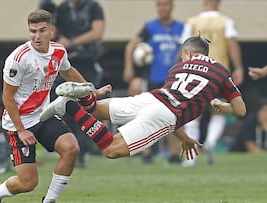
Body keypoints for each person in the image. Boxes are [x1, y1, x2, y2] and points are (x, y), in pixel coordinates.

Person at [40, 35, 246, 163]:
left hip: (151, 98)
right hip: (164, 114)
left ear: (188, 53)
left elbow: (171, 103)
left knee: (94, 110)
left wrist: (185, 139)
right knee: (111, 150)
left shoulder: (178, 68)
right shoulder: (220, 71)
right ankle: (69, 106)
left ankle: (84, 96)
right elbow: (240, 110)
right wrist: (221, 105)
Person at [0, 10, 110, 203]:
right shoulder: (18, 59)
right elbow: (7, 97)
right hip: (18, 124)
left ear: (51, 30)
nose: (37, 36)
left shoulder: (59, 51)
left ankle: (49, 200)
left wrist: (92, 91)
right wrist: (21, 130)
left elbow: (68, 72)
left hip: (43, 115)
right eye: (33, 31)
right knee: (28, 183)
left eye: (42, 30)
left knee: (71, 149)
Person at [179, 0, 245, 166]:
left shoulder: (192, 22)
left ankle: (191, 158)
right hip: (218, 72)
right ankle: (210, 142)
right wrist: (238, 67)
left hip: (196, 72)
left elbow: (184, 46)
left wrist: (179, 67)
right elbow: (232, 44)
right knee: (218, 111)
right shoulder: (226, 21)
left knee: (193, 113)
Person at [123, 0, 184, 164]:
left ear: (171, 6)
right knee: (147, 115)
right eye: (159, 5)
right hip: (153, 79)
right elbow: (131, 45)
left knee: (173, 116)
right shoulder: (149, 27)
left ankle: (172, 153)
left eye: (165, 4)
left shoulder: (182, 28)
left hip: (173, 80)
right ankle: (146, 152)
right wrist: (129, 68)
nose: (162, 8)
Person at [53, 0, 105, 168]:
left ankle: (82, 153)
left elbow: (97, 32)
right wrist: (58, 37)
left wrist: (73, 42)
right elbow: (55, 29)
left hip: (87, 62)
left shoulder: (93, 7)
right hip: (67, 63)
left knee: (85, 109)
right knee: (65, 108)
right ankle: (68, 150)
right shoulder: (62, 9)